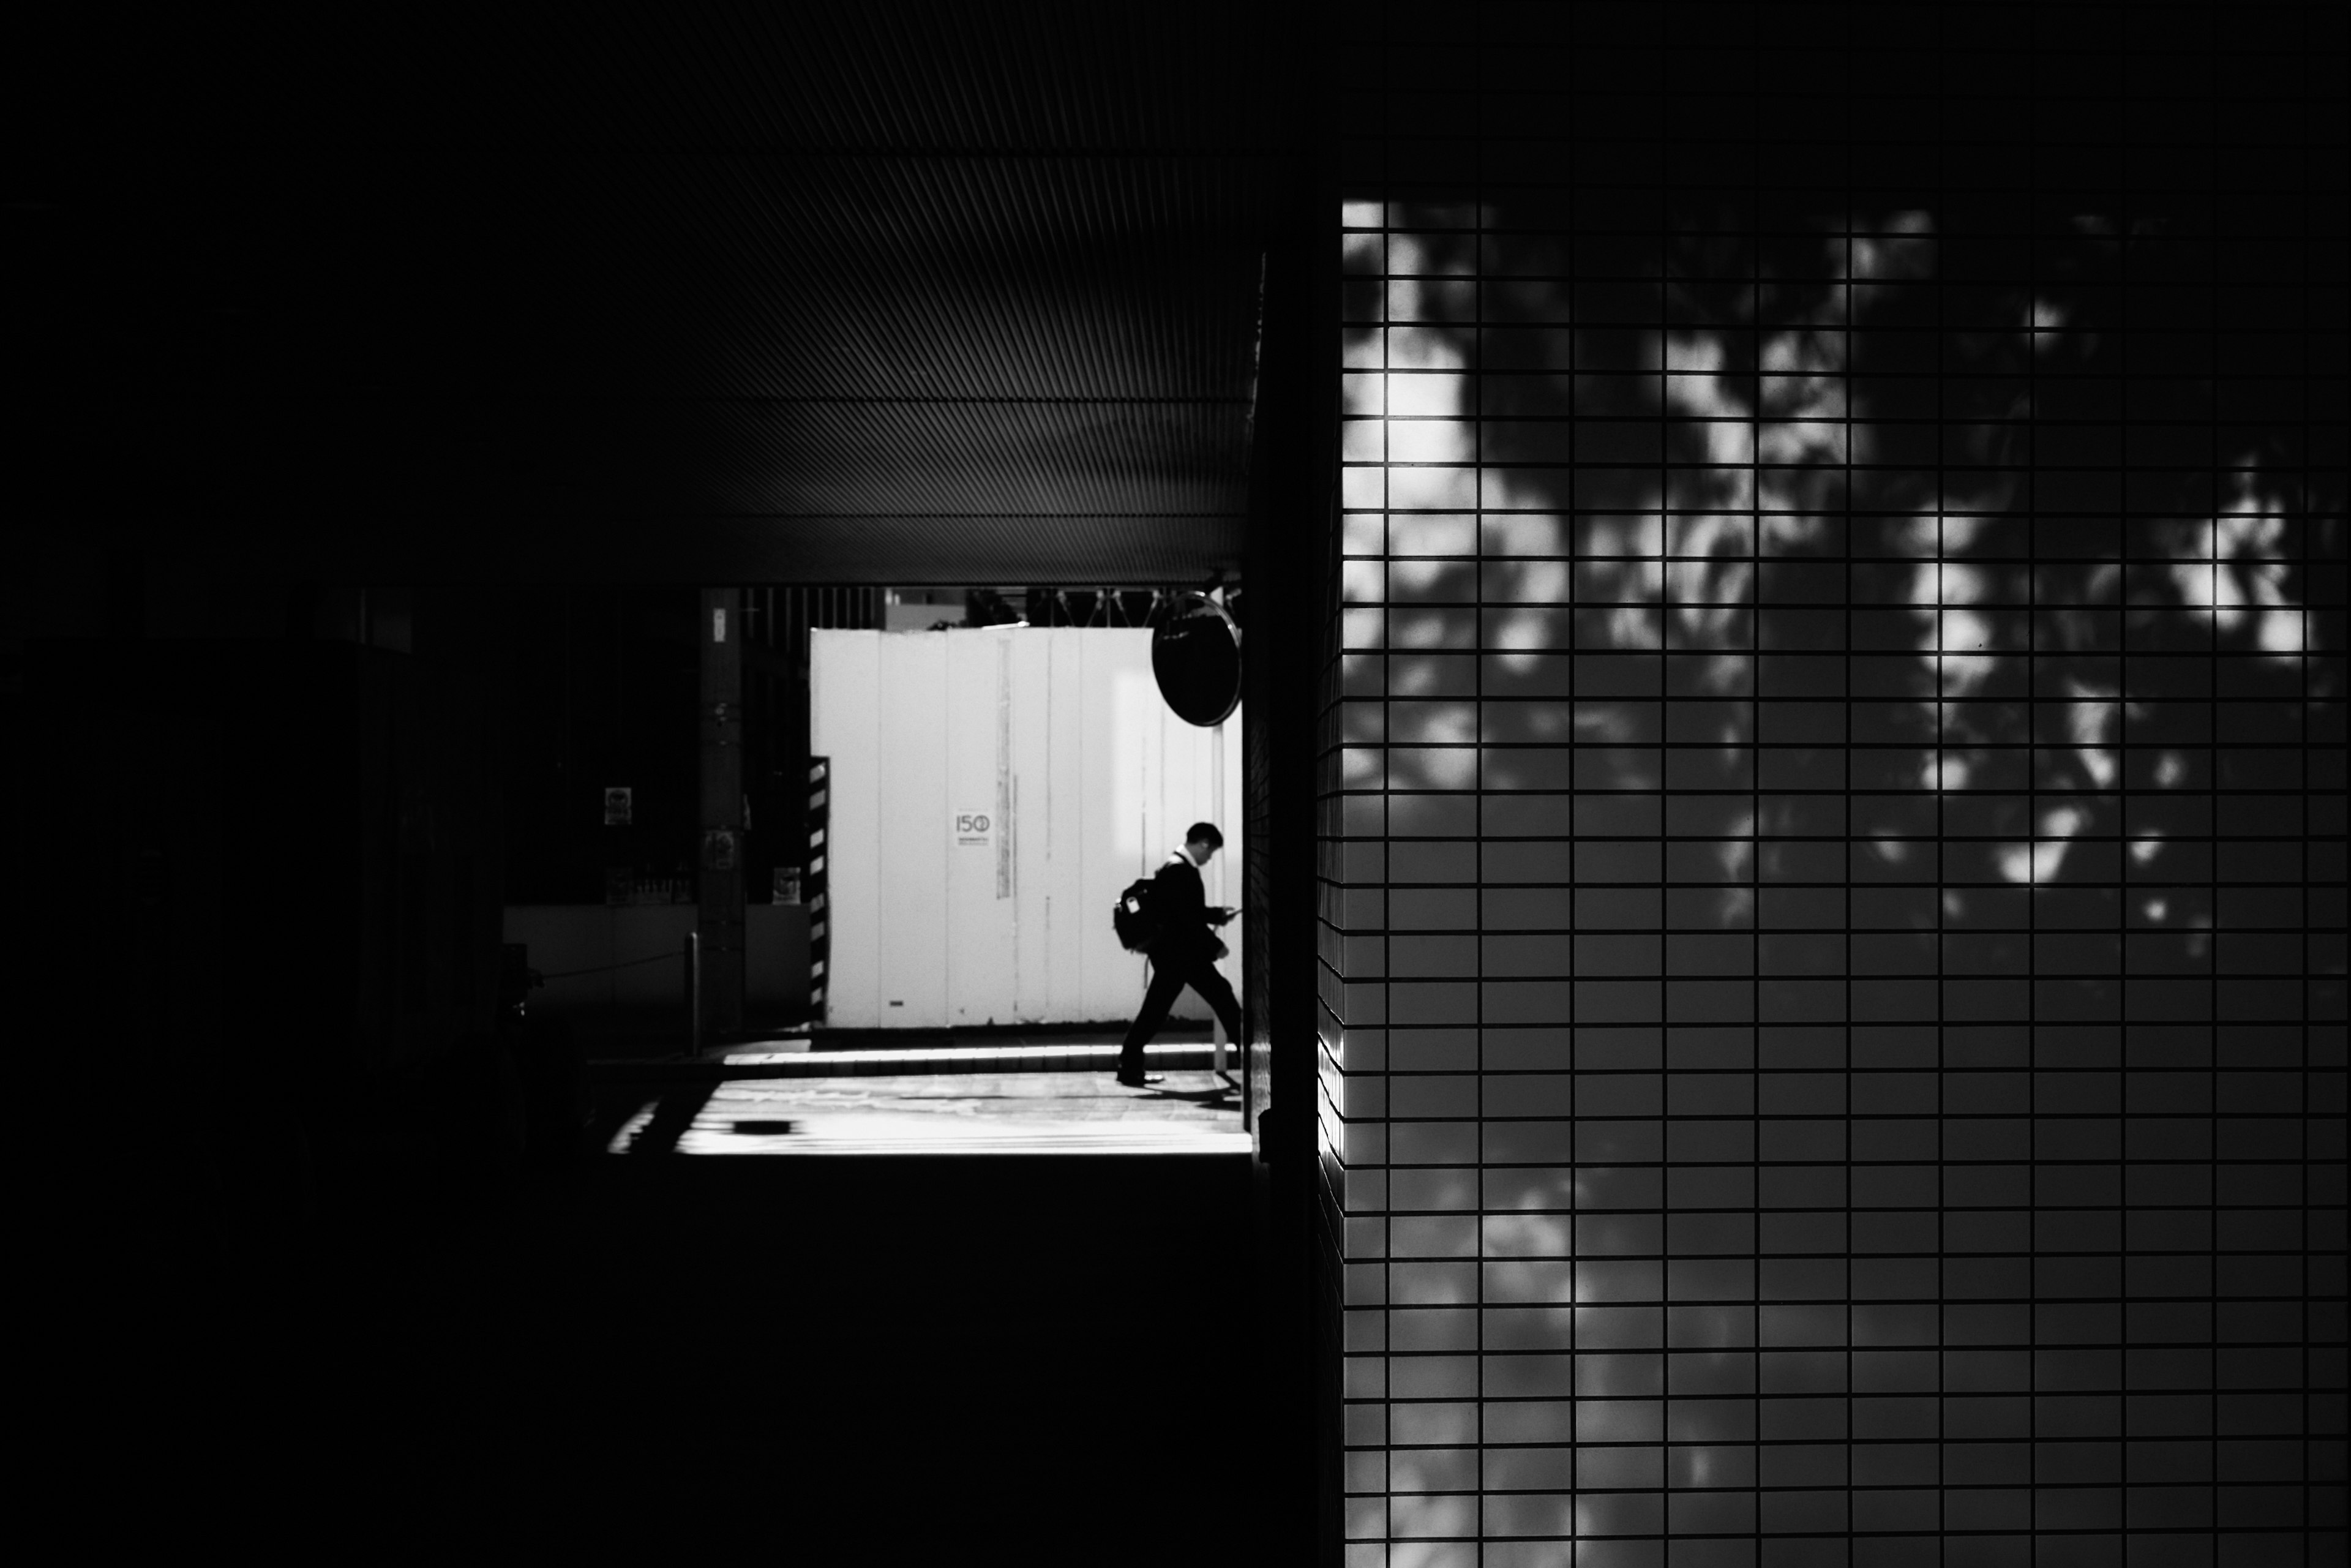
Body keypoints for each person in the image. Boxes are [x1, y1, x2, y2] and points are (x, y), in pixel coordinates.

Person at [1116, 822, 1242, 1088]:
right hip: (1182, 956)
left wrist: (1217, 914)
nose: (1209, 858)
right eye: (1211, 852)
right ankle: (1252, 1060)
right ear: (1203, 843)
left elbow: (1184, 911)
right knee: (1223, 998)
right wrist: (1215, 946)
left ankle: (1129, 1066)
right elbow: (1187, 920)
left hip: (1174, 956)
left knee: (1156, 1011)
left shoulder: (1173, 868)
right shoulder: (1181, 872)